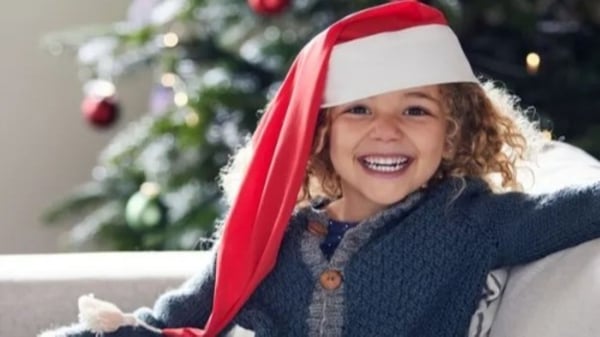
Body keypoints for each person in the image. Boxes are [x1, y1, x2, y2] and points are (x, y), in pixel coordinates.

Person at [40, 1, 600, 337]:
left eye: (416, 109)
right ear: (320, 134)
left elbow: (585, 205)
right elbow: (171, 319)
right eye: (358, 109)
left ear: (454, 130)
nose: (387, 128)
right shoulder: (272, 234)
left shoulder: (472, 219)